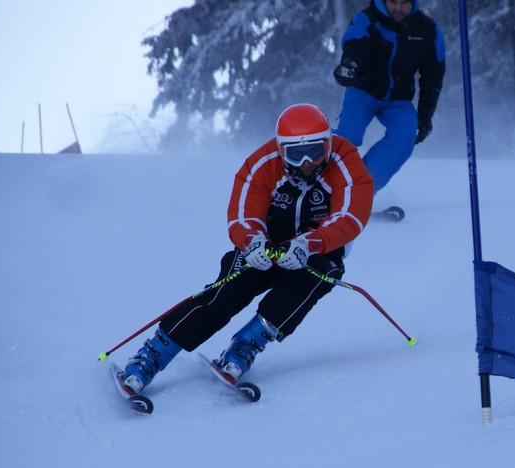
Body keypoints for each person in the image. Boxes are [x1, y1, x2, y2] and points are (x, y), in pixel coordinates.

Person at [118, 103, 374, 393]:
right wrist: (252, 241)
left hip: (317, 249)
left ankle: (247, 344)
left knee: (321, 275)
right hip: (267, 245)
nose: (306, 162)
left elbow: (351, 215)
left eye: (315, 151)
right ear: (281, 149)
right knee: (227, 292)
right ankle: (154, 354)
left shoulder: (346, 160)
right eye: (295, 154)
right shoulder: (262, 163)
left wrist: (309, 243)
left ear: (328, 144)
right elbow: (242, 214)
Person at [332, 0, 445, 193]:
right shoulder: (367, 19)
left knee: (406, 133)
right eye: (393, 2)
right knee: (348, 136)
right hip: (363, 91)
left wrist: (425, 116)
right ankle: (325, 186)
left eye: (404, 3)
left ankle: (361, 189)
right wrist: (349, 65)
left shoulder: (428, 30)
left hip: (397, 99)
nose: (398, 8)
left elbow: (433, 77)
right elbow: (355, 42)